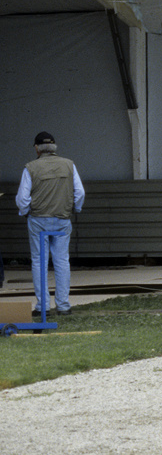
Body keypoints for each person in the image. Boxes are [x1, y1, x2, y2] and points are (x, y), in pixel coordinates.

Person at [16, 130, 85, 316]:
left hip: (38, 221)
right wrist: (74, 209)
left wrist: (26, 212)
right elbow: (80, 193)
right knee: (62, 261)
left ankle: (43, 306)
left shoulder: (30, 167)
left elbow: (22, 198)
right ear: (54, 147)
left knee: (39, 262)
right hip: (62, 219)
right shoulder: (69, 165)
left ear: (37, 148)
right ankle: (63, 305)